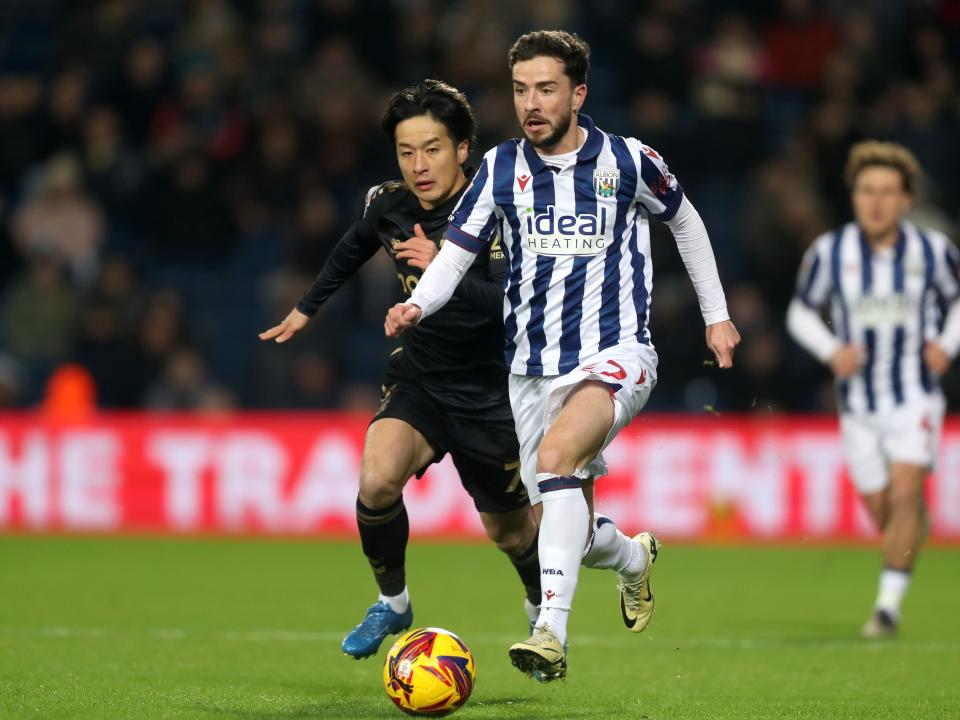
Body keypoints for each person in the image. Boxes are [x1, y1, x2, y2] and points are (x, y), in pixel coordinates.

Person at [385, 31, 740, 680]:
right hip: (529, 369)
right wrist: (418, 305)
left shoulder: (628, 162)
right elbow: (458, 251)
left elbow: (684, 221)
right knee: (557, 523)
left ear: (577, 93)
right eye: (520, 89)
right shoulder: (499, 168)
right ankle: (631, 558)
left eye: (546, 88)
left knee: (557, 460)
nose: (531, 102)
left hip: (615, 354)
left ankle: (550, 631)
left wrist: (717, 316)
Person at [260, 80, 541, 659]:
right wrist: (306, 308)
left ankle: (543, 617)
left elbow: (515, 302)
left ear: (463, 149)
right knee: (376, 480)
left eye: (433, 149)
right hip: (421, 378)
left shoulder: (502, 209)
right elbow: (353, 246)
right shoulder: (389, 203)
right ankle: (393, 604)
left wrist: (445, 266)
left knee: (510, 534)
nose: (419, 165)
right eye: (407, 152)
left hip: (493, 393)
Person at [787, 141, 960, 638]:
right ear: (854, 196)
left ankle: (886, 609)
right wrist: (831, 349)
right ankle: (910, 531)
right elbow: (800, 312)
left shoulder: (933, 250)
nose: (876, 202)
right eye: (866, 191)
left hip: (916, 395)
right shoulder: (830, 252)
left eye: (887, 191)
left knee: (907, 492)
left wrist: (946, 344)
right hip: (858, 406)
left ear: (906, 199)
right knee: (887, 513)